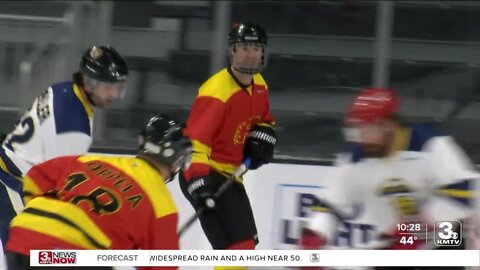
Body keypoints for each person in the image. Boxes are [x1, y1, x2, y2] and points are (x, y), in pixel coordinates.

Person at [299, 88, 478, 270]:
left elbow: (460, 193)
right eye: (356, 131)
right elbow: (330, 205)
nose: (361, 138)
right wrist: (314, 237)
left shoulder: (431, 145)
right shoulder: (353, 161)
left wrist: (414, 230)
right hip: (394, 246)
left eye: (366, 130)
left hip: (445, 243)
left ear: (388, 125)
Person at [5, 114, 192, 270]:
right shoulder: (161, 202)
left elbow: (35, 178)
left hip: (24, 237)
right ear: (176, 159)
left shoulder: (92, 161)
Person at [0, 45, 129, 253]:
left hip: (8, 169)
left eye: (118, 87)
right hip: (12, 184)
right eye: (108, 86)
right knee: (27, 255)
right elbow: (58, 186)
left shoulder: (62, 89)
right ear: (89, 82)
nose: (113, 93)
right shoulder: (74, 128)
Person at [178, 22, 277, 270]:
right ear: (232, 51)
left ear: (263, 51)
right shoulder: (217, 91)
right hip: (204, 174)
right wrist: (199, 185)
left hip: (231, 176)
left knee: (244, 247)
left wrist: (265, 135)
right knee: (238, 248)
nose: (250, 53)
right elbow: (194, 145)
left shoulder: (260, 85)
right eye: (244, 47)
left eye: (255, 47)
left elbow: (265, 121)